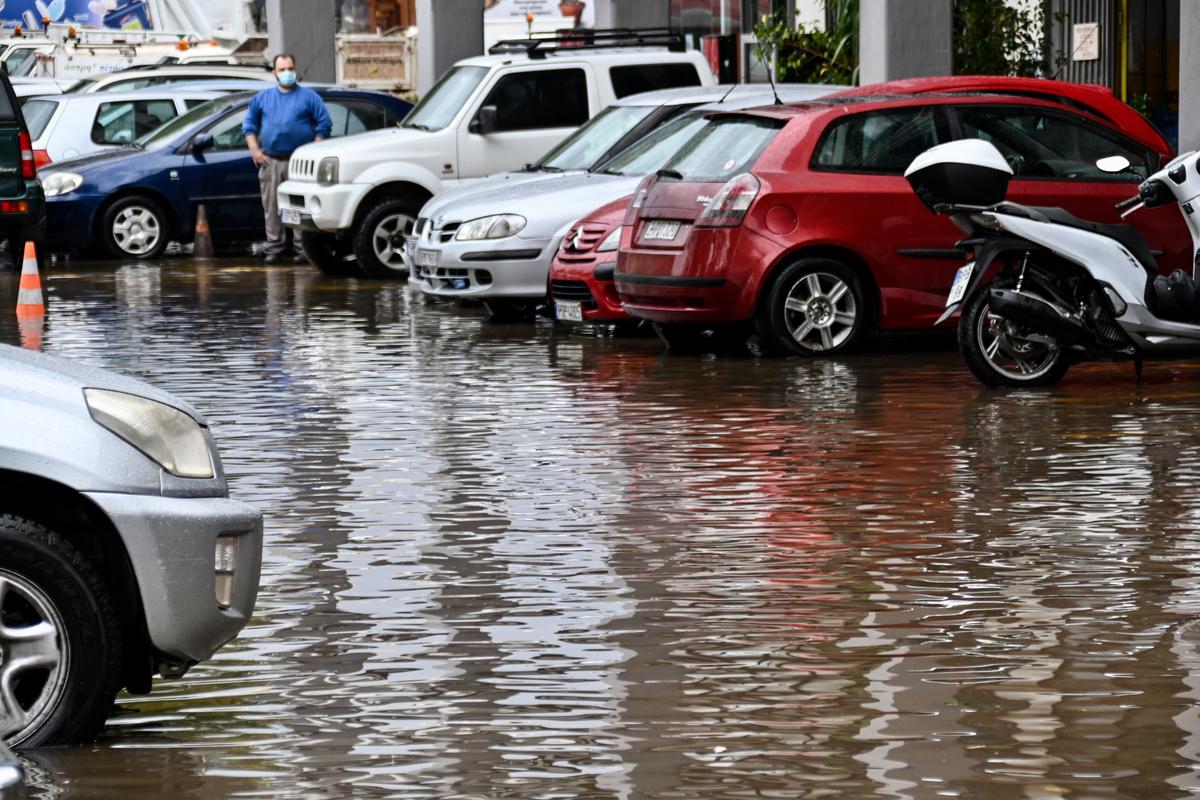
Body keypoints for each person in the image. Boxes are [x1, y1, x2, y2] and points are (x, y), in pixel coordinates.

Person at [243, 53, 332, 264]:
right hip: (271, 161)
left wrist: (315, 149)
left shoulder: (308, 97)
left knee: (300, 207)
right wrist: (255, 150)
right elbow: (249, 126)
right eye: (282, 70)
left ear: (295, 69)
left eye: (290, 69)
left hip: (300, 164)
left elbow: (324, 123)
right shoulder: (262, 98)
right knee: (272, 207)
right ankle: (275, 248)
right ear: (274, 72)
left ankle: (303, 249)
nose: (286, 73)